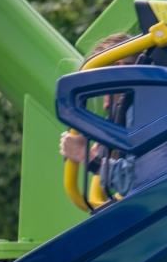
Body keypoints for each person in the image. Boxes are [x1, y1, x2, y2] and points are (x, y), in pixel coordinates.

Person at [59, 33, 141, 167]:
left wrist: (86, 156)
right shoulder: (144, 102)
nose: (106, 106)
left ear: (117, 70)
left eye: (104, 90)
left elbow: (139, 174)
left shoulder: (140, 108)